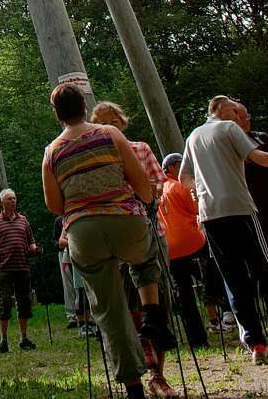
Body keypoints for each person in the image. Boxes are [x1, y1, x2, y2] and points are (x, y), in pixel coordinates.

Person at [42, 83, 171, 399]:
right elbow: (140, 183)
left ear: (57, 114)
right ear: (84, 107)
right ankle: (152, 312)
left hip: (84, 233)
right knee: (144, 256)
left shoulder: (52, 151)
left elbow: (55, 206)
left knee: (109, 311)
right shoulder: (111, 135)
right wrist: (140, 202)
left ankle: (133, 386)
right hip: (124, 220)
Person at [180, 94, 268, 366]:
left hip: (210, 216)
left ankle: (257, 345)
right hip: (240, 210)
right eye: (233, 110)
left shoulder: (193, 136)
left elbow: (183, 177)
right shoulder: (228, 128)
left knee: (235, 279)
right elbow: (258, 157)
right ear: (217, 108)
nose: (238, 116)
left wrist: (199, 191)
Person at [91, 101, 176, 398]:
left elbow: (159, 184)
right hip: (117, 238)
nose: (110, 123)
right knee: (129, 308)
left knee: (158, 303)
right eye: (103, 121)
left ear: (122, 120)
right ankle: (138, 375)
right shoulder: (97, 156)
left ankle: (158, 375)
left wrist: (136, 194)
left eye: (113, 118)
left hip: (151, 230)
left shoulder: (140, 147)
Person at [231, 101, 268, 289]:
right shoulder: (229, 146)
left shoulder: (260, 137)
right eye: (243, 116)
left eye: (248, 115)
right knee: (267, 257)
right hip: (251, 209)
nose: (248, 119)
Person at [158, 153, 210, 348]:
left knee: (184, 294)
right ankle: (224, 311)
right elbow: (198, 209)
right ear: (171, 167)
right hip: (192, 243)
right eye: (181, 163)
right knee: (214, 274)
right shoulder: (180, 186)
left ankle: (197, 339)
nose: (184, 167)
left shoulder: (159, 189)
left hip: (170, 249)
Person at [0, 188, 38, 352]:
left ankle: (23, 338)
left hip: (22, 267)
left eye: (14, 198)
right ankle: (4, 340)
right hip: (4, 268)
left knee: (24, 302)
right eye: (9, 199)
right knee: (4, 303)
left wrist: (34, 248)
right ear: (2, 202)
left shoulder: (23, 221)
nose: (13, 201)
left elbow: (31, 241)